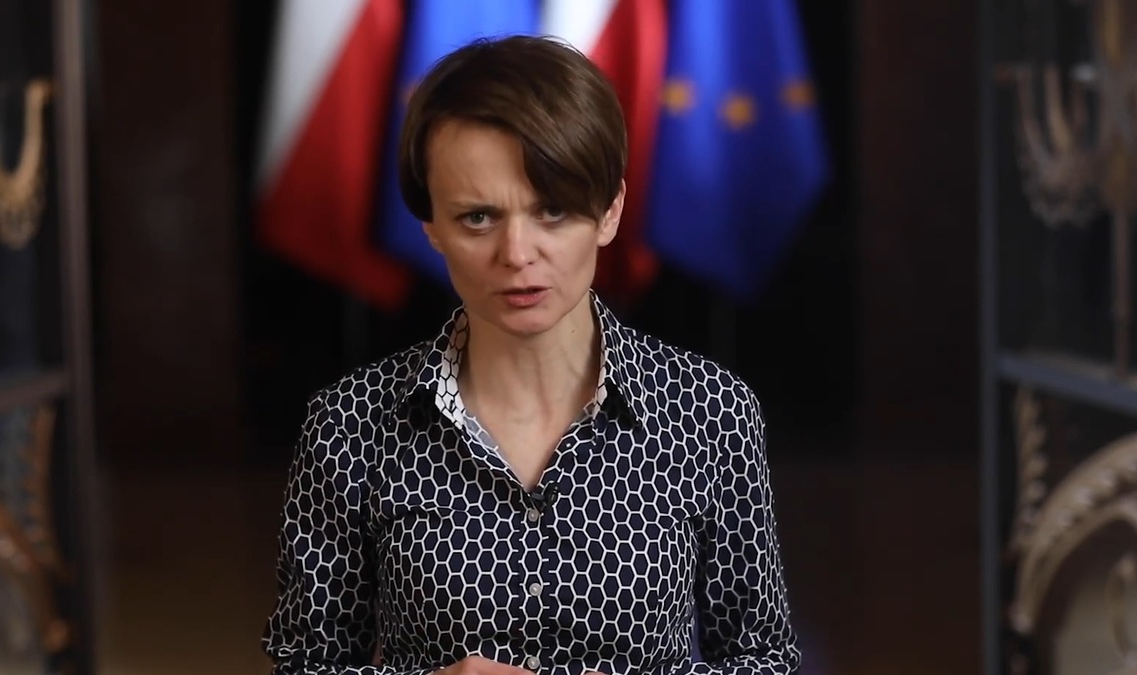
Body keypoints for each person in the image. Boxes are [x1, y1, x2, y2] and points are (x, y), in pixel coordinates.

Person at [262, 35, 800, 675]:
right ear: (431, 227)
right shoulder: (348, 428)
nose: (517, 254)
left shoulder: (710, 413)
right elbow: (303, 663)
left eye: (552, 211)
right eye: (477, 218)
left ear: (609, 212)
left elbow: (764, 659)